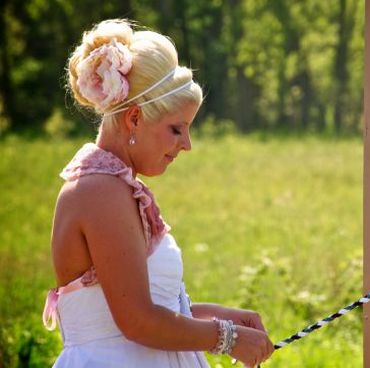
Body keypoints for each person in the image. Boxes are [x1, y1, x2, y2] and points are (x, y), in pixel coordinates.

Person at [42, 19, 273, 367]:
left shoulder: (117, 186)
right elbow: (137, 323)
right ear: (134, 118)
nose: (187, 145)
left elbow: (141, 314)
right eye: (176, 129)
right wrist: (227, 338)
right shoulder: (98, 192)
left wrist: (218, 317)